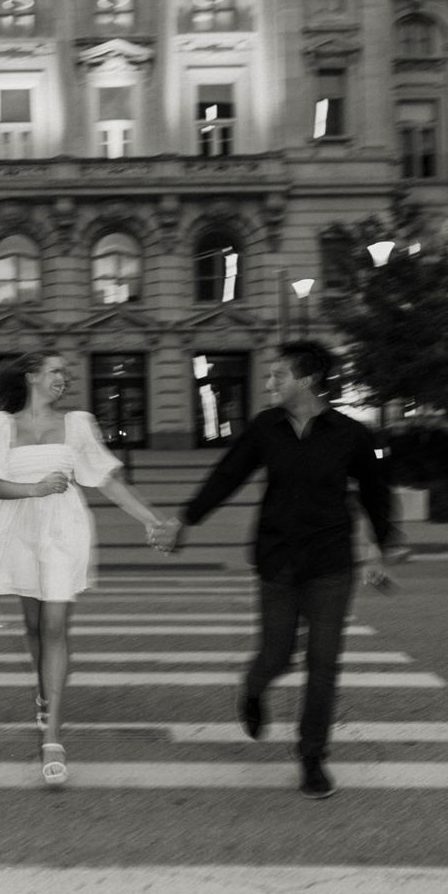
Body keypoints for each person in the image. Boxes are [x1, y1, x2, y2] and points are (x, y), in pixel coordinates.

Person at [152, 340, 405, 799]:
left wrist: (381, 547)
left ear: (306, 380)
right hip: (278, 559)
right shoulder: (266, 428)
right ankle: (252, 689)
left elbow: (376, 493)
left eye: (278, 376)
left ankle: (312, 756)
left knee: (324, 662)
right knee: (278, 653)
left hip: (330, 563)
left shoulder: (349, 434)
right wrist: (184, 519)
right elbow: (227, 476)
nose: (269, 383)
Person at [0, 351, 165, 787]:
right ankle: (42, 691)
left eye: (65, 374)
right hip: (18, 527)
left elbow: (107, 479)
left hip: (63, 529)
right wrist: (34, 488)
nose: (64, 379)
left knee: (55, 626)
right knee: (34, 625)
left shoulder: (77, 424)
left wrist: (151, 520)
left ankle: (52, 734)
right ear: (31, 375)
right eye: (55, 371)